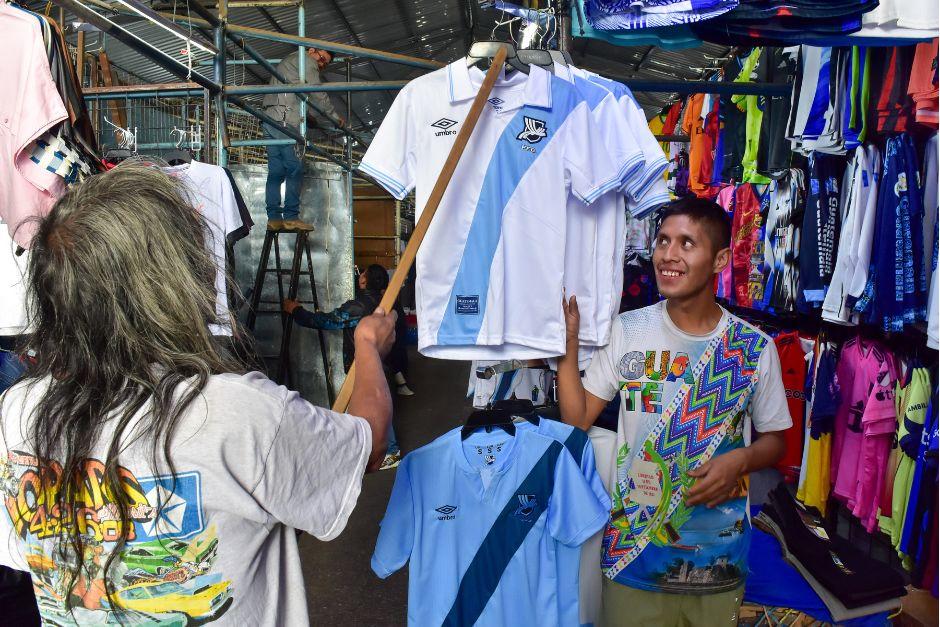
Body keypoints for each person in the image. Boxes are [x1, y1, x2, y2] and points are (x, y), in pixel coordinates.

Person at [0, 165, 394, 625]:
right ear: (170, 280)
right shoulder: (236, 412)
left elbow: (28, 557)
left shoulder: (17, 411)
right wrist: (368, 347)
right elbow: (370, 442)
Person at [557, 196, 791, 627]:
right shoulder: (628, 331)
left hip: (719, 562)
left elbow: (776, 441)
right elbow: (577, 420)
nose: (668, 254)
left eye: (687, 243)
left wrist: (740, 460)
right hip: (633, 556)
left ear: (720, 259)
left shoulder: (753, 348)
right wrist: (568, 347)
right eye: (663, 240)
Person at [283, 264, 413, 469]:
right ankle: (383, 450)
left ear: (363, 280)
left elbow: (325, 321)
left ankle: (390, 452)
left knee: (369, 405)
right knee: (378, 401)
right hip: (384, 361)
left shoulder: (358, 306)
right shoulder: (387, 303)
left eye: (362, 274)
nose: (360, 276)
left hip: (361, 364)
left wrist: (296, 310)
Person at [261, 47, 345, 229]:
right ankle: (291, 217)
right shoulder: (306, 60)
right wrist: (334, 117)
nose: (321, 64)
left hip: (270, 119)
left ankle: (273, 218)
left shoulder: (290, 61)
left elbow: (291, 94)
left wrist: (306, 116)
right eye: (321, 58)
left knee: (276, 171)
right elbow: (317, 92)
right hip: (284, 121)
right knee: (295, 168)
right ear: (311, 50)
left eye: (325, 63)